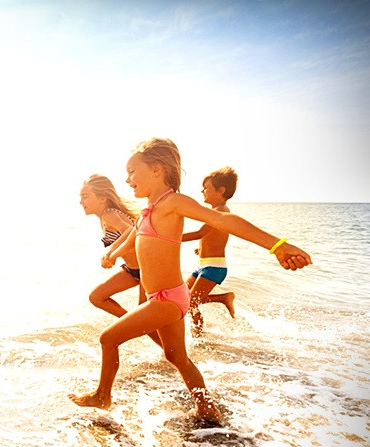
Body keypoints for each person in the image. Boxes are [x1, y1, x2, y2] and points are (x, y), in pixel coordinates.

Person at [69, 138, 312, 423]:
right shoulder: (151, 207)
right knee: (177, 358)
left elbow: (224, 221)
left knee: (108, 338)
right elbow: (133, 235)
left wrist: (277, 245)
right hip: (164, 297)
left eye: (133, 171)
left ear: (157, 169)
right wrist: (113, 253)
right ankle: (206, 407)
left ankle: (102, 395)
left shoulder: (174, 202)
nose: (127, 179)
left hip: (168, 299)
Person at [80, 175, 163, 347]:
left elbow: (133, 229)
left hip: (146, 269)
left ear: (102, 197)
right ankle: (132, 322)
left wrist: (112, 253)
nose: (81, 201)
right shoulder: (104, 217)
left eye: (86, 196)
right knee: (97, 297)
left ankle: (171, 352)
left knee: (144, 318)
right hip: (133, 269)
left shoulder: (109, 214)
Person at [182, 167, 238, 335]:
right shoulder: (216, 211)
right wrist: (201, 248)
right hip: (204, 264)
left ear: (221, 190)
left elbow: (200, 233)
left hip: (214, 267)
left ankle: (198, 336)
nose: (202, 191)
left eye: (206, 188)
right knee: (184, 297)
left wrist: (169, 237)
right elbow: (212, 237)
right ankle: (221, 300)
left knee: (191, 302)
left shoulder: (221, 211)